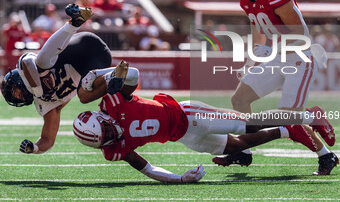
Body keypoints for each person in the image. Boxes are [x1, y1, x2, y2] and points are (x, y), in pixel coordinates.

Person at [72, 60, 335, 183]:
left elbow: (134, 73)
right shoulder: (113, 149)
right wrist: (180, 179)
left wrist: (108, 74)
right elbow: (148, 169)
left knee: (250, 123)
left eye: (107, 129)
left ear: (102, 117)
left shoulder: (113, 102)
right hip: (184, 137)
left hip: (189, 115)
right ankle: (286, 130)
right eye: (105, 138)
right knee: (236, 146)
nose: (111, 135)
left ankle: (311, 117)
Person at [223, 0, 338, 175]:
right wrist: (251, 59)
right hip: (278, 56)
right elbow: (257, 26)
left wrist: (270, 51)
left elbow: (301, 35)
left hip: (299, 58)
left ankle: (321, 143)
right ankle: (244, 150)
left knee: (288, 118)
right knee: (239, 99)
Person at [0, 4, 135, 155]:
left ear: (17, 80)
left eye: (15, 92)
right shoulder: (44, 104)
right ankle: (111, 77)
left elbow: (27, 61)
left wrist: (39, 90)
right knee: (83, 95)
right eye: (16, 98)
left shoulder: (26, 69)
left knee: (42, 63)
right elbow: (48, 139)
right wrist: (35, 148)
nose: (19, 96)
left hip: (81, 46)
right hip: (94, 64)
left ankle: (74, 22)